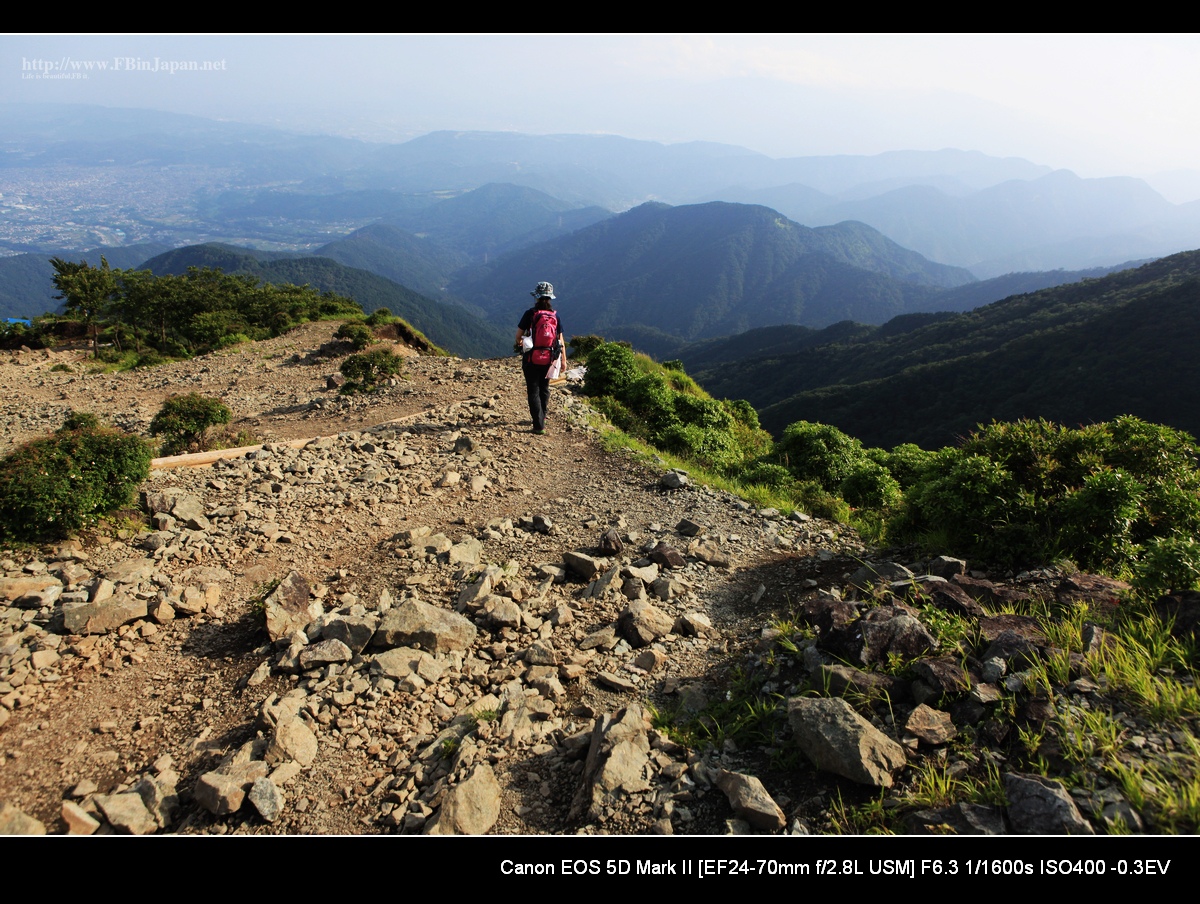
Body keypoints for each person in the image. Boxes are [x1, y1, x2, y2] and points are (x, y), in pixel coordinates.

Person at [514, 281, 566, 435]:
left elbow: (518, 337)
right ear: (550, 298)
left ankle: (538, 425)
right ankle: (542, 418)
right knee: (544, 388)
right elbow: (560, 341)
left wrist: (524, 343)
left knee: (533, 390)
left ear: (536, 297)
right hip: (549, 358)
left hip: (531, 358)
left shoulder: (530, 314)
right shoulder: (555, 316)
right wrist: (563, 360)